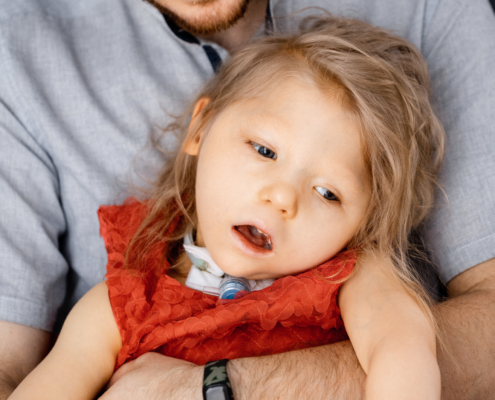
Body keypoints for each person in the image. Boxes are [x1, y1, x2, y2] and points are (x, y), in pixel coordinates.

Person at [0, 0, 494, 399]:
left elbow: (403, 354)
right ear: (200, 128)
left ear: (364, 221)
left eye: (329, 193)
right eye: (264, 150)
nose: (282, 196)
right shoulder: (127, 299)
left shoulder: (352, 277)